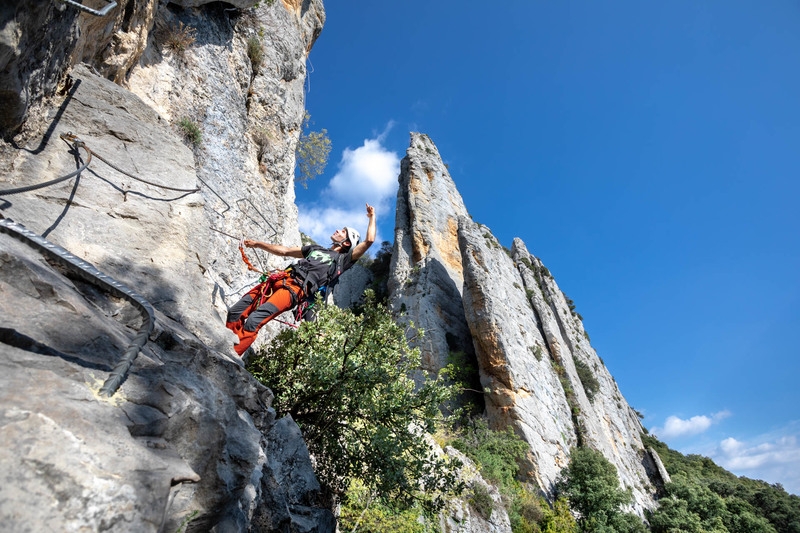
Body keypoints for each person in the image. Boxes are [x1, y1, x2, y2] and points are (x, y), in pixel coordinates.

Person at [226, 203, 376, 356]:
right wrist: (258, 244)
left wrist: (372, 217)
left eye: (343, 232)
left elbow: (369, 241)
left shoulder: (342, 260)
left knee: (254, 320)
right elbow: (285, 251)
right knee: (235, 312)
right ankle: (226, 340)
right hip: (279, 280)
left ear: (346, 243)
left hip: (294, 290)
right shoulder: (314, 248)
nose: (338, 230)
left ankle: (229, 355)